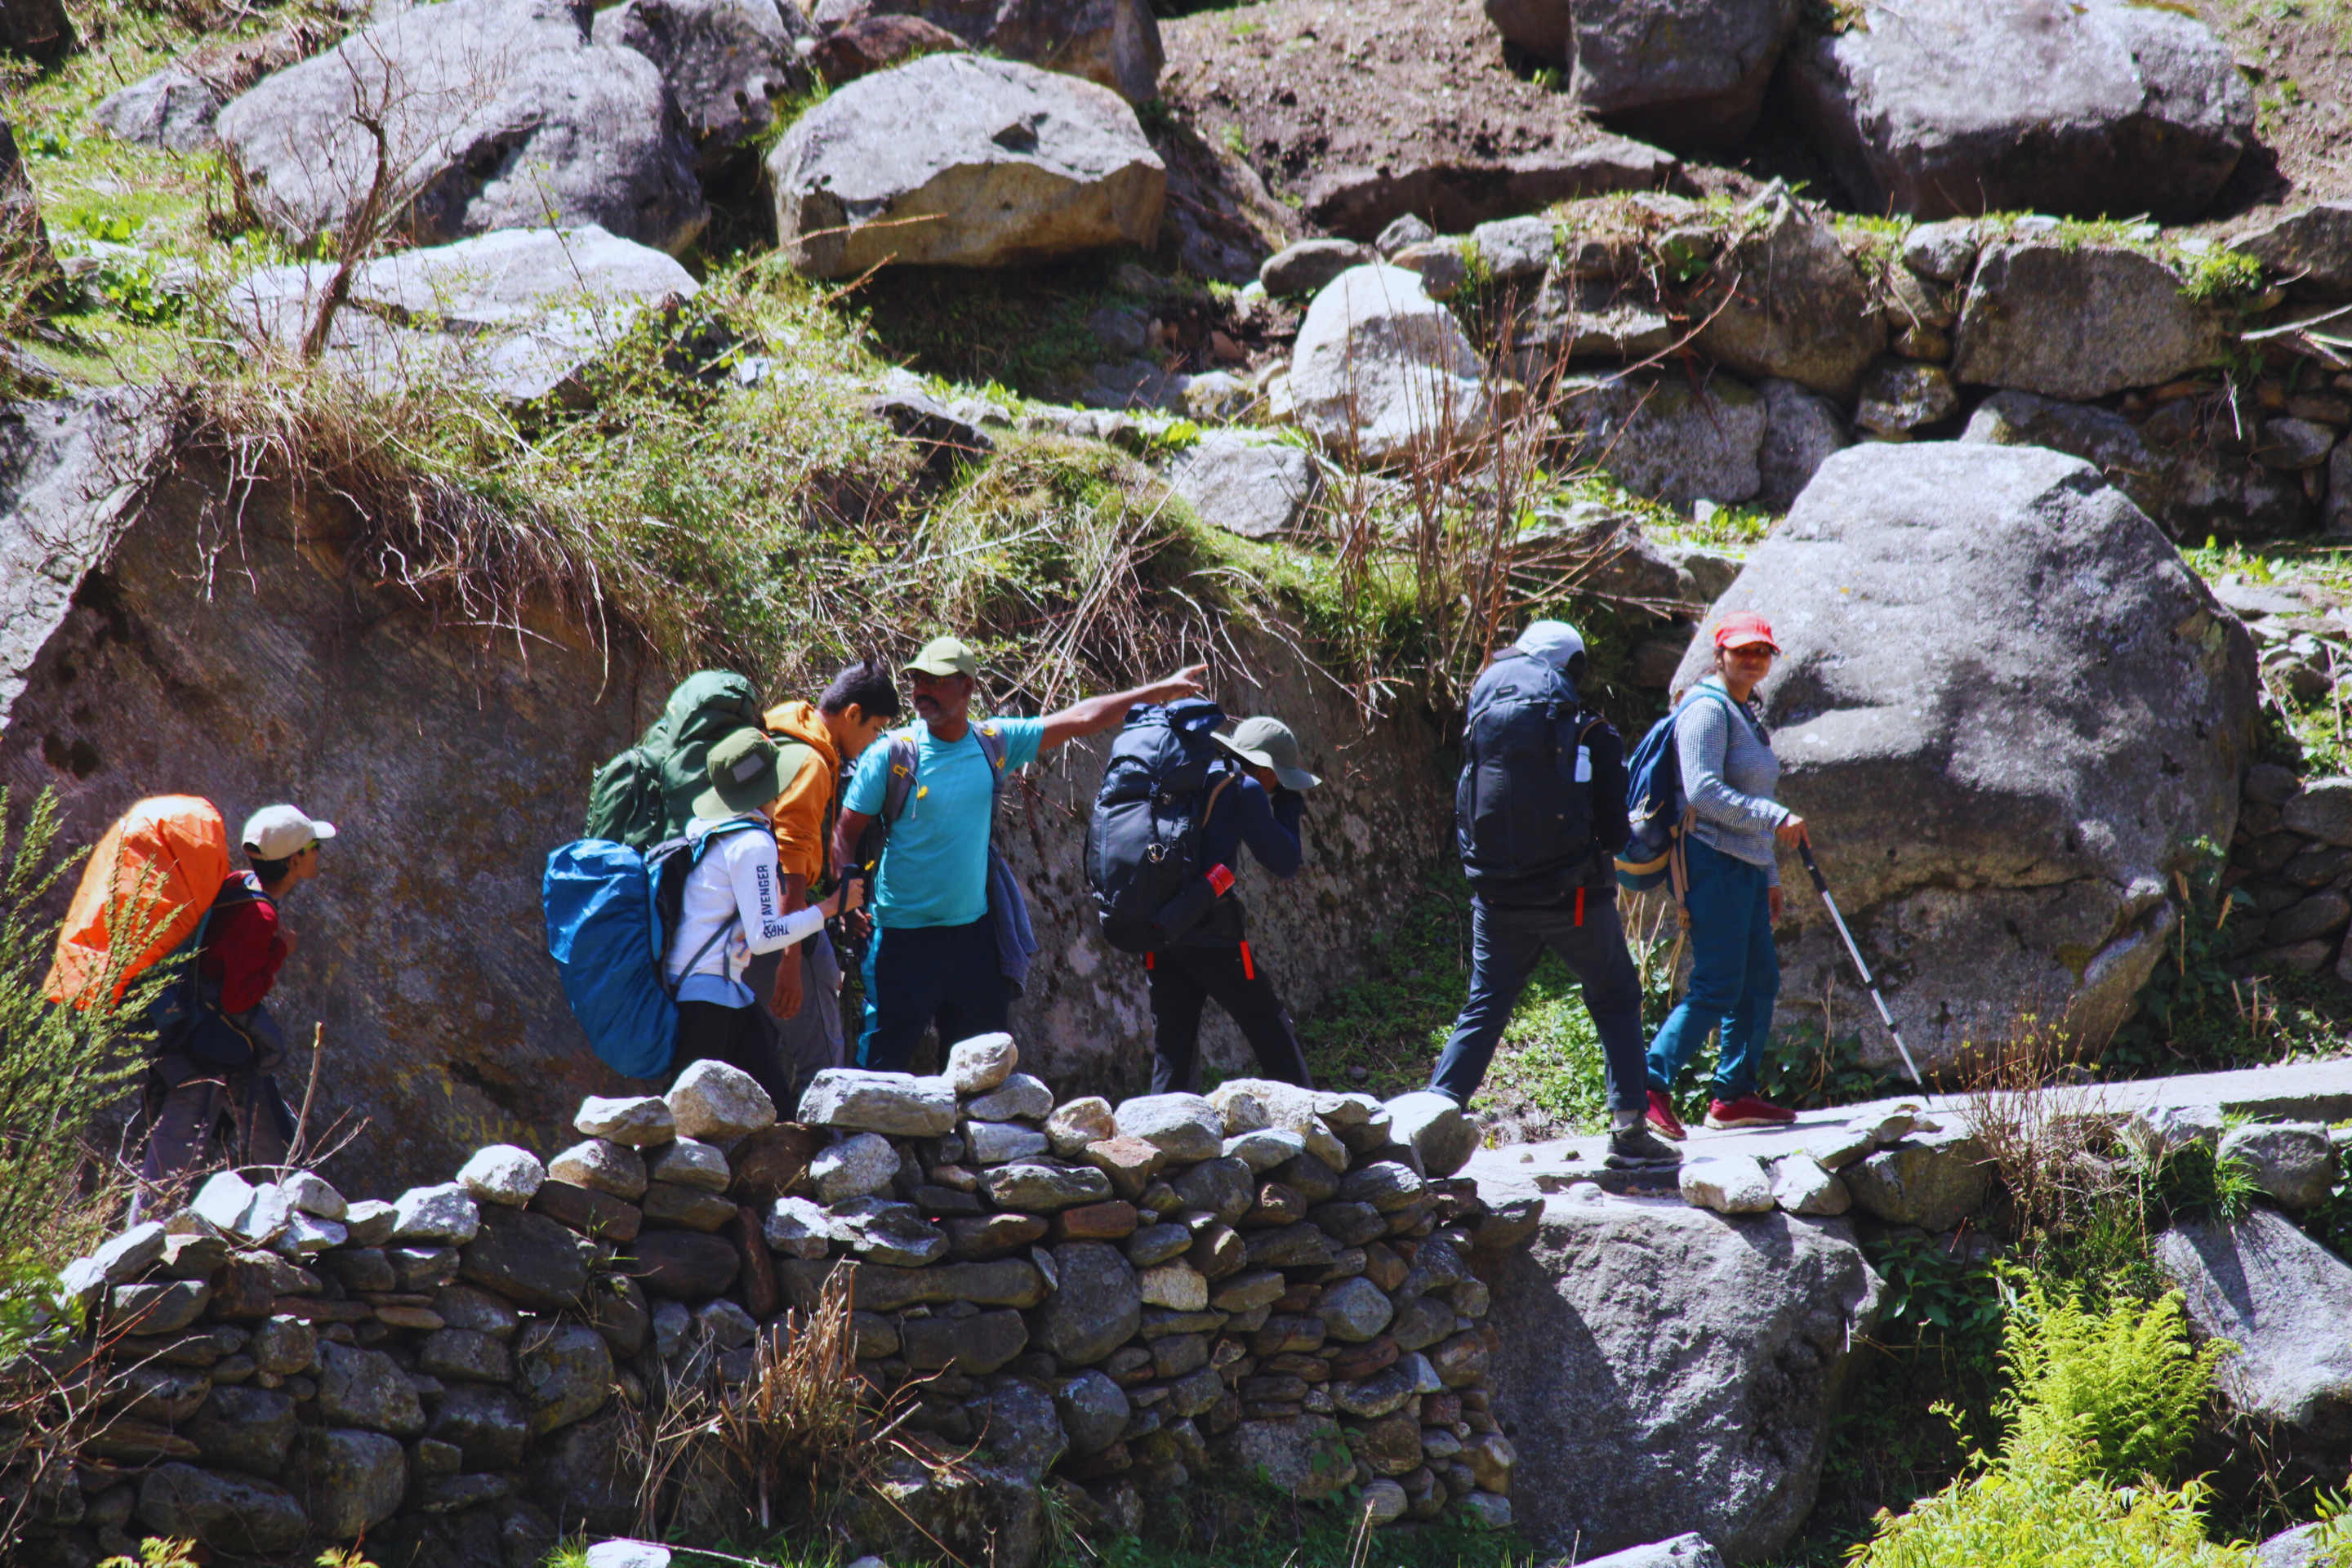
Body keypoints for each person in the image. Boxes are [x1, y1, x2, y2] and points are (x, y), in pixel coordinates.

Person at [832, 635, 1207, 1072]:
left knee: (981, 1078)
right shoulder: (892, 754)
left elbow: (1082, 716)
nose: (921, 690)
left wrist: (1160, 690)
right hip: (901, 941)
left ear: (967, 687)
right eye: (916, 679)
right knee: (880, 1073)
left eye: (934, 681)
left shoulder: (994, 742)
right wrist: (845, 893)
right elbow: (845, 834)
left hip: (973, 941)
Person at [1423, 621, 1682, 1170]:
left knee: (1486, 1004)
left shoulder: (1484, 727)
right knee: (1614, 996)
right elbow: (1614, 838)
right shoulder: (1594, 735)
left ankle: (1429, 1123)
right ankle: (1630, 1132)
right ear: (1570, 670)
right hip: (1576, 901)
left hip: (1496, 898)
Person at [1644, 610, 1806, 1138]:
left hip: (1745, 866)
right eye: (1742, 651)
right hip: (1709, 859)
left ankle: (1732, 1096)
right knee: (1717, 984)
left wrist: (1770, 873)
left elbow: (1753, 795)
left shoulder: (1744, 711)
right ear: (1720, 655)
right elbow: (1703, 793)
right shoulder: (1708, 712)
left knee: (1759, 979)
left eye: (1762, 651)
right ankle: (1647, 1085)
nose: (1753, 659)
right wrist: (1775, 819)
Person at [140, 804, 330, 1206]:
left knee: (272, 1133)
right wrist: (279, 950)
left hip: (201, 1028)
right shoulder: (260, 916)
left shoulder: (236, 883)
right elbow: (238, 996)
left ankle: (300, 1216)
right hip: (210, 1045)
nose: (319, 853)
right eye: (314, 847)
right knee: (175, 1151)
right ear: (294, 861)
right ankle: (141, 1245)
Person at [667, 728, 857, 1101]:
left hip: (718, 992)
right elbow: (765, 935)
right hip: (707, 999)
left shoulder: (707, 828)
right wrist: (830, 908)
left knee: (774, 1108)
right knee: (685, 1124)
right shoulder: (753, 843)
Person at [1147, 715, 1321, 1096]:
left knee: (1172, 1051)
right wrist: (1290, 807)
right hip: (1210, 932)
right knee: (1270, 1025)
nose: (1279, 787)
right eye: (1280, 778)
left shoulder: (1195, 776)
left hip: (1160, 926)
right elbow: (1285, 861)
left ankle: (1163, 1144)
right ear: (1264, 770)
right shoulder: (1243, 789)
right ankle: (1309, 1126)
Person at [753, 657, 902, 1084]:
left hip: (735, 915)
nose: (875, 741)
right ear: (852, 714)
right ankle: (830, 1146)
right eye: (875, 729)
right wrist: (791, 958)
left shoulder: (783, 733)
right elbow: (790, 861)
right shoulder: (814, 764)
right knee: (824, 1060)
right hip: (774, 924)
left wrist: (835, 907)